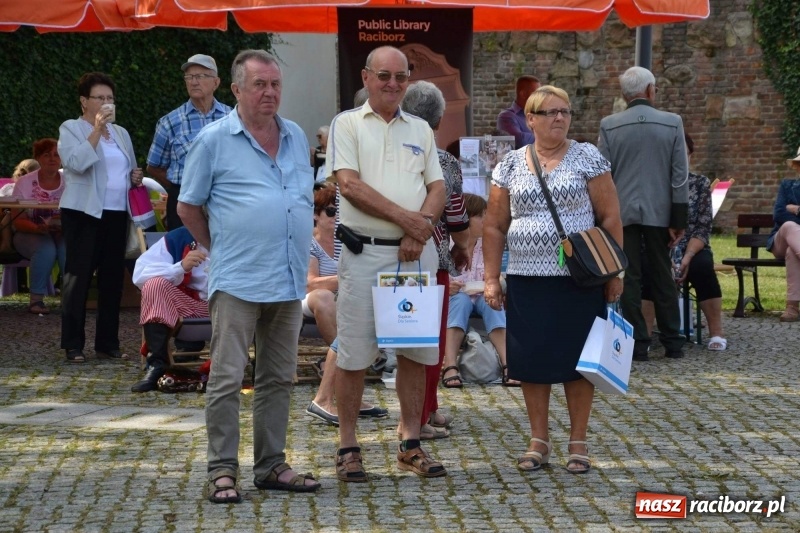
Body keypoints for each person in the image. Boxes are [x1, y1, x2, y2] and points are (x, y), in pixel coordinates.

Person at [178, 49, 319, 504]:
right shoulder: (214, 140)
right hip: (237, 277)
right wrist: (221, 247)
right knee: (226, 376)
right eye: (260, 84)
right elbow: (187, 205)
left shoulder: (295, 135)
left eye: (275, 84)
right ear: (236, 89)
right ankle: (221, 469)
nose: (270, 93)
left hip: (288, 276)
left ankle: (271, 464)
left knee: (279, 376)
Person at [483, 85, 624, 474]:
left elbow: (610, 217)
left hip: (580, 278)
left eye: (565, 112)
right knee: (532, 360)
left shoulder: (587, 158)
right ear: (530, 120)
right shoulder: (509, 165)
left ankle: (578, 442)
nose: (559, 118)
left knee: (579, 362)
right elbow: (494, 225)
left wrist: (615, 273)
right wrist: (492, 278)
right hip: (527, 278)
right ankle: (538, 440)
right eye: (550, 113)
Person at [327, 46, 446, 482]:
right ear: (366, 77)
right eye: (384, 76)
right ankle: (348, 445)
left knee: (415, 353)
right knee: (355, 353)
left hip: (416, 255)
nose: (393, 84)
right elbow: (350, 186)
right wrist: (409, 224)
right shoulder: (347, 123)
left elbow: (436, 185)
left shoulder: (421, 128)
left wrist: (421, 228)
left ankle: (410, 443)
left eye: (401, 76)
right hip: (366, 252)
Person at [597, 66, 689, 361]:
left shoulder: (609, 125)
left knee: (629, 274)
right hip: (660, 212)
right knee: (663, 275)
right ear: (651, 90)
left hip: (620, 212)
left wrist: (602, 214)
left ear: (625, 94)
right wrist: (679, 218)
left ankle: (637, 342)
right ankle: (673, 340)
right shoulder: (672, 122)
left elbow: (602, 173)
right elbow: (679, 175)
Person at [401, 80, 471, 439]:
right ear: (439, 121)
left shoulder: (392, 154)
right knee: (430, 343)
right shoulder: (444, 161)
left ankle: (424, 409)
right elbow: (457, 217)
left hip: (391, 258)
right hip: (433, 258)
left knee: (407, 340)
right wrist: (462, 245)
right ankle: (422, 415)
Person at [58, 72, 143, 364]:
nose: (106, 103)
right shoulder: (72, 128)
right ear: (84, 101)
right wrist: (95, 130)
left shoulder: (121, 133)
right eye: (100, 98)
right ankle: (73, 344)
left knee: (111, 281)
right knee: (78, 278)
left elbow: (128, 169)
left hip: (117, 212)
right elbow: (76, 163)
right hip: (83, 213)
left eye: (110, 98)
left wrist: (135, 176)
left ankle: (108, 342)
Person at [304, 183, 388, 426]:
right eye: (330, 212)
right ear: (315, 215)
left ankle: (347, 396)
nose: (335, 217)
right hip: (314, 298)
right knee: (327, 300)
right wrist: (345, 278)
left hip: (346, 298)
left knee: (353, 322)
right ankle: (326, 398)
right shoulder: (309, 243)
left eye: (338, 212)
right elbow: (310, 284)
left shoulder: (345, 241)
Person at [642, 133, 726, 350]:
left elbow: (703, 226)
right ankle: (645, 335)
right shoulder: (652, 185)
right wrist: (665, 256)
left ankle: (716, 333)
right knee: (651, 268)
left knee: (703, 267)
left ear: (690, 156)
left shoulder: (700, 184)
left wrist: (687, 257)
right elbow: (648, 225)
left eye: (684, 155)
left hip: (693, 247)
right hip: (659, 245)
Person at [442, 193, 519, 388]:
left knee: (491, 301)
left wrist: (496, 282)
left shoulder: (487, 245)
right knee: (460, 300)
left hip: (481, 298)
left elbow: (496, 276)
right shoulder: (446, 245)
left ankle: (508, 363)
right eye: (481, 215)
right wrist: (445, 287)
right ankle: (450, 364)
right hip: (456, 300)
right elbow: (432, 279)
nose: (486, 220)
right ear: (466, 218)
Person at [146, 54, 231, 231]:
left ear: (216, 82)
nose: (193, 82)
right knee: (184, 254)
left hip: (226, 199)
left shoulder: (232, 118)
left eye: (200, 76)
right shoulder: (170, 122)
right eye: (189, 77)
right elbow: (154, 166)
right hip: (183, 202)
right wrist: (182, 184)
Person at [130, 226, 210, 392]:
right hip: (192, 306)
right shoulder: (179, 237)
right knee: (154, 285)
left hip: (231, 306)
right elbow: (140, 274)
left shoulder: (240, 235)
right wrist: (180, 267)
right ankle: (158, 365)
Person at [10, 139, 66, 314]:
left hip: (63, 233)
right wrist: (37, 229)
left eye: (56, 154)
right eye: (46, 154)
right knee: (46, 249)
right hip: (28, 232)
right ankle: (36, 300)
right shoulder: (24, 183)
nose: (52, 158)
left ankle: (72, 298)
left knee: (68, 249)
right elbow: (16, 220)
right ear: (38, 158)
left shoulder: (71, 181)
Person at [767, 146, 800, 322]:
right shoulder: (788, 185)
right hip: (781, 241)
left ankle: (792, 307)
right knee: (788, 224)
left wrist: (797, 210)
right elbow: (779, 214)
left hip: (793, 248)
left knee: (792, 252)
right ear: (797, 166)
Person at [496, 75, 541, 149]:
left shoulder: (539, 114)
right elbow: (520, 141)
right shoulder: (506, 117)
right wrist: (545, 136)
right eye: (536, 94)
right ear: (523, 94)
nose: (539, 98)